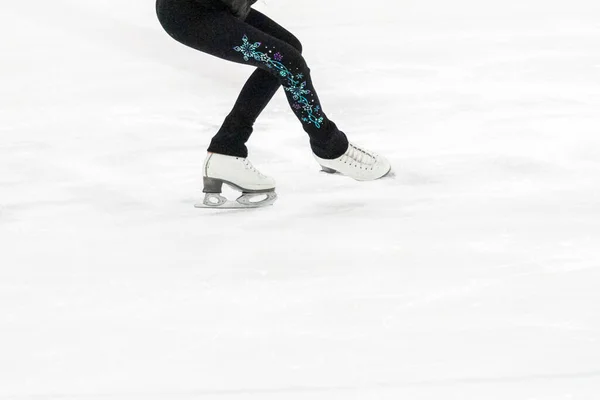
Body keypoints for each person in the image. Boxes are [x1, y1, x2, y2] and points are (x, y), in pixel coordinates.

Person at [156, 0, 391, 208]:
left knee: (287, 50)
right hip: (189, 12)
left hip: (216, 7)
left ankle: (227, 148)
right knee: (287, 62)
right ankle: (329, 146)